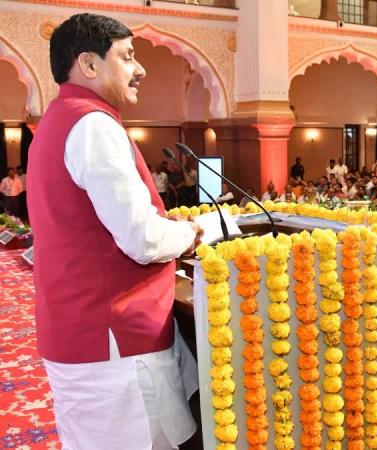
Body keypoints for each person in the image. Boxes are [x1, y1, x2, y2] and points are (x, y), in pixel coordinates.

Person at [26, 14, 204, 450]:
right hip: (112, 339)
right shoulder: (93, 124)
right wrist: (191, 232)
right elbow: (141, 239)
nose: (139, 69)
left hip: (83, 328)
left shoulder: (59, 119)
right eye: (127, 57)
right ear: (89, 64)